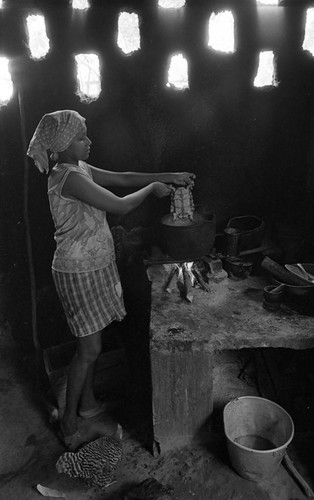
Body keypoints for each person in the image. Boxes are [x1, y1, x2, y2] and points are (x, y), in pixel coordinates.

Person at [27, 109, 195, 451]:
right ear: (62, 144)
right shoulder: (67, 179)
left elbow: (122, 176)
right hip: (77, 271)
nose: (89, 142)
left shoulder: (79, 168)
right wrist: (151, 188)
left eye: (86, 134)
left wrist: (171, 174)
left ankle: (87, 404)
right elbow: (119, 205)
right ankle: (70, 422)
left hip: (95, 266)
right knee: (89, 350)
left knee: (92, 344)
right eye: (81, 137)